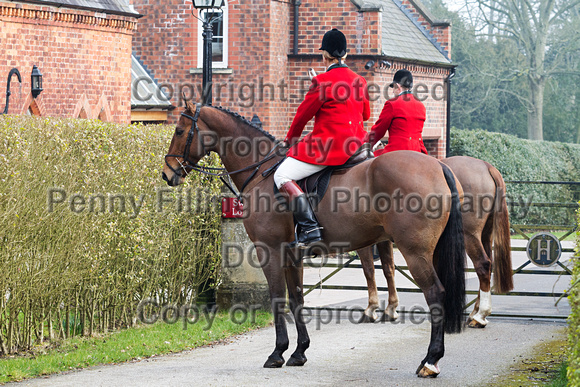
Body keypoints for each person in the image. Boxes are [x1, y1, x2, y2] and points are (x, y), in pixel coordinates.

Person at [274, 28, 371, 247]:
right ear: (345, 55)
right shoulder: (360, 81)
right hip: (357, 144)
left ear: (324, 56)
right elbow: (366, 115)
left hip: (330, 148)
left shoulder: (321, 82)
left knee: (281, 175)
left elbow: (301, 118)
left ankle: (309, 228)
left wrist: (289, 142)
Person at [364, 69, 428, 156]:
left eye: (393, 87)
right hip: (418, 151)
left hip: (397, 151)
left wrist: (365, 145)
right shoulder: (421, 106)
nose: (393, 91)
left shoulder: (392, 104)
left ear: (398, 86)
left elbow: (378, 131)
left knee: (368, 164)